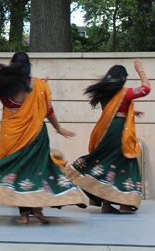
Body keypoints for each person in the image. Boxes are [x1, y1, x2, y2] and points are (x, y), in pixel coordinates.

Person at [0, 52, 86, 224]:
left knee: (18, 171)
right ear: (29, 66)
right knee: (36, 171)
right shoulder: (40, 86)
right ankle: (37, 209)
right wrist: (58, 128)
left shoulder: (5, 86)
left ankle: (24, 215)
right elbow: (48, 111)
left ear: (11, 64)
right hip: (38, 136)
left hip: (13, 137)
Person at [61, 59, 150, 214]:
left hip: (108, 131)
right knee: (126, 163)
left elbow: (113, 110)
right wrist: (140, 71)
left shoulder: (105, 94)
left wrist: (131, 112)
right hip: (119, 133)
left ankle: (111, 203)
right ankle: (122, 202)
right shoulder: (124, 93)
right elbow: (146, 89)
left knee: (111, 164)